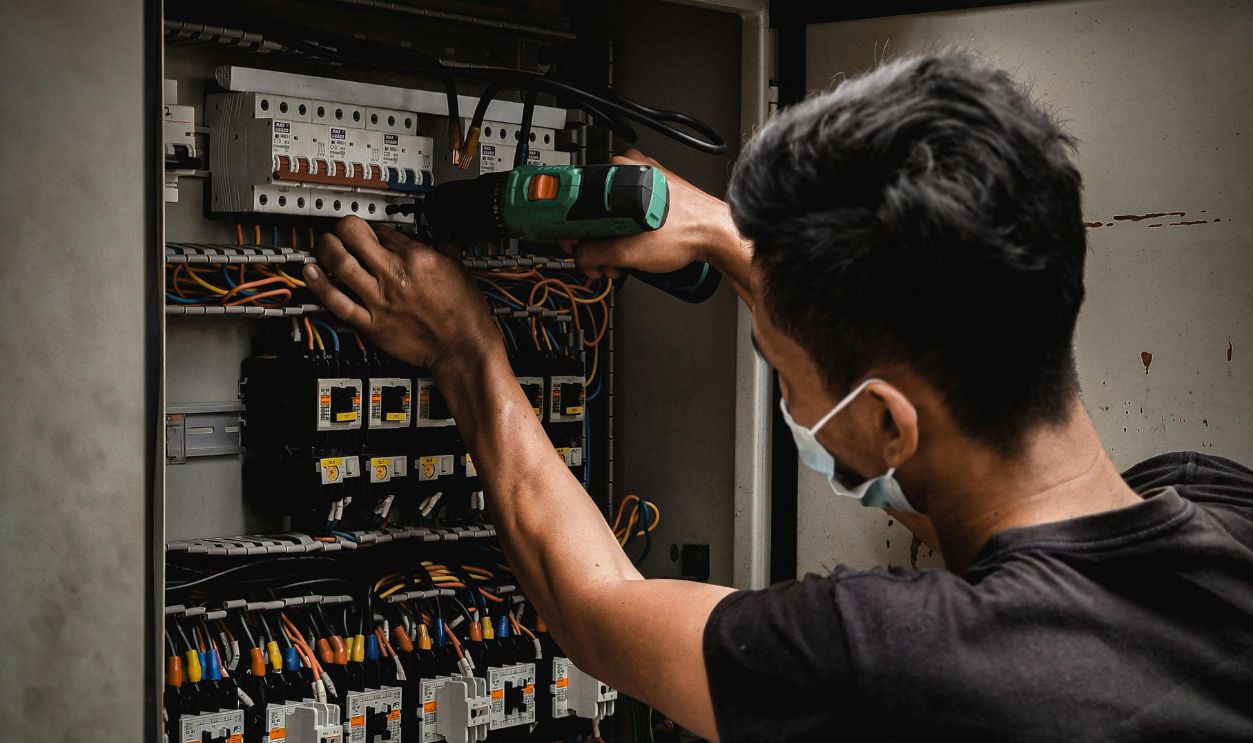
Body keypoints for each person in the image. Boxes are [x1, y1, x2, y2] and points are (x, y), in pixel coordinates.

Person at [301, 49, 1253, 741]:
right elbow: (982, 500)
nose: (791, 407)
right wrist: (726, 237)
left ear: (884, 422)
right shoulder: (1219, 509)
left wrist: (466, 354)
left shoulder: (903, 658)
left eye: (782, 371)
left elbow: (596, 609)